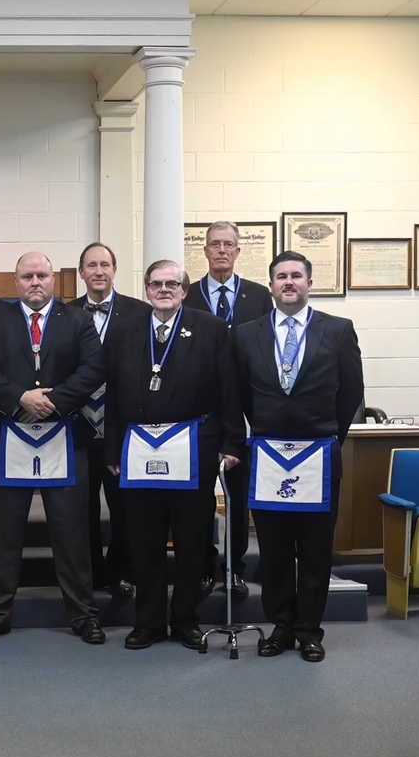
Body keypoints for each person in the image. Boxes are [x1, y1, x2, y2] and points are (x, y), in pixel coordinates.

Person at [104, 260, 245, 651]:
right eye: (156, 284)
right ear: (146, 289)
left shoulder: (212, 329)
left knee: (191, 538)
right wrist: (112, 448)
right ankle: (147, 621)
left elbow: (230, 389)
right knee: (143, 538)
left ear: (184, 290)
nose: (164, 290)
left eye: (172, 284)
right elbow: (113, 395)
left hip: (194, 447)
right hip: (138, 449)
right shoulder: (124, 331)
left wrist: (232, 442)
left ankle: (185, 619)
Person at [234, 250, 364, 662]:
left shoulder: (338, 329)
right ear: (271, 285)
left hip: (318, 456)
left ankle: (309, 630)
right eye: (281, 276)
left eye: (296, 275)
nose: (288, 282)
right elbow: (240, 393)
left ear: (310, 283)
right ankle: (281, 627)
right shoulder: (247, 333)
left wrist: (329, 436)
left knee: (314, 551)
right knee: (273, 550)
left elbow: (352, 391)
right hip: (268, 455)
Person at [0, 252, 105, 645]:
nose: (35, 282)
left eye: (42, 276)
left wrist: (54, 400)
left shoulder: (77, 319)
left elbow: (94, 369)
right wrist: (20, 397)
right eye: (27, 276)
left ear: (53, 280)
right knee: (3, 532)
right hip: (9, 433)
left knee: (71, 532)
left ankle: (83, 615)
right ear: (16, 282)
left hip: (64, 433)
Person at [182, 221, 274, 597]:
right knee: (200, 494)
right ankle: (204, 567)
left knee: (238, 494)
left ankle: (234, 568)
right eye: (215, 244)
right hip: (202, 405)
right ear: (204, 251)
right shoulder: (189, 294)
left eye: (228, 245)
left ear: (238, 252)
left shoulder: (258, 295)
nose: (221, 250)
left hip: (246, 406)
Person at [69, 241, 151, 597]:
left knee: (125, 507)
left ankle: (121, 573)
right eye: (92, 265)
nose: (99, 271)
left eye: (105, 264)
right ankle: (90, 575)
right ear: (81, 272)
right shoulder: (65, 313)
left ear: (115, 270)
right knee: (81, 508)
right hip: (78, 427)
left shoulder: (140, 312)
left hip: (124, 428)